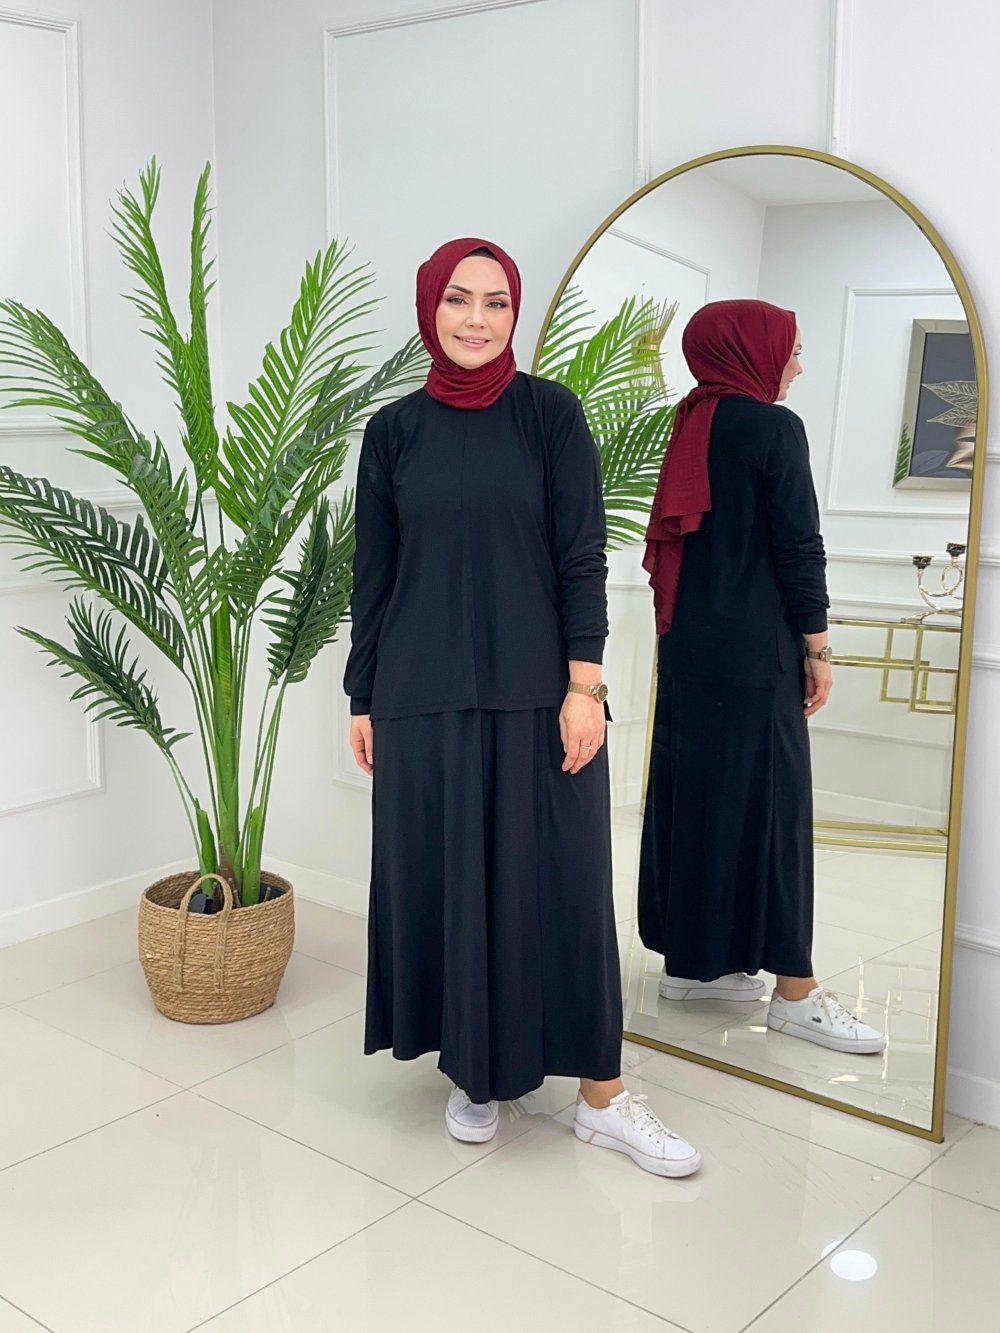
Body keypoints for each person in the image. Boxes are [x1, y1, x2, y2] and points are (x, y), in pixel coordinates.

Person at [344, 237, 701, 1176]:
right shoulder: (393, 432)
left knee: (566, 886)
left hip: (542, 696)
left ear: (514, 311)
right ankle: (476, 1071)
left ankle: (602, 1096)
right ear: (430, 309)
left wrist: (585, 688)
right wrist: (363, 695)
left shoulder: (550, 414)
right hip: (420, 697)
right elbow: (374, 575)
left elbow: (582, 555)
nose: (476, 318)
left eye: (495, 301)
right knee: (452, 879)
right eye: (458, 299)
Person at [637, 299, 886, 1056]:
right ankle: (796, 994)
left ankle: (693, 968)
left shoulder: (692, 422)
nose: (798, 367)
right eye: (794, 350)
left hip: (688, 653)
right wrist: (819, 647)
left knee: (698, 802)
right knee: (774, 815)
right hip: (756, 658)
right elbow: (798, 545)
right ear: (753, 351)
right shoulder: (773, 428)